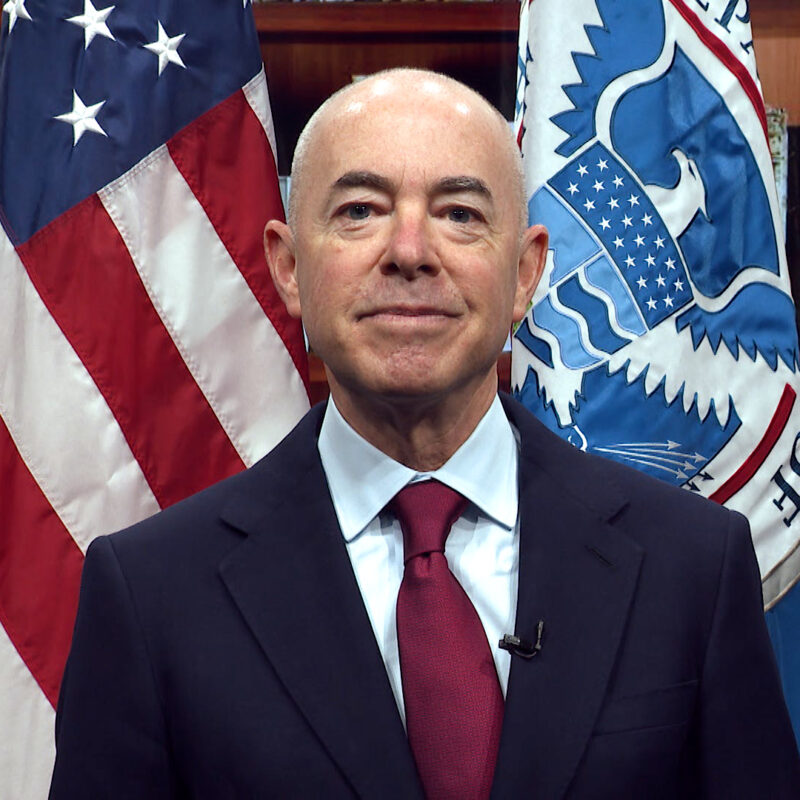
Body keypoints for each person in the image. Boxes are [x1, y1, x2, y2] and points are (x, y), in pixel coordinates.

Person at [50, 68, 800, 799]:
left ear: (525, 274)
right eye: (360, 211)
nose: (409, 252)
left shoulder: (693, 567)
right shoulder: (150, 597)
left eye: (461, 214)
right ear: (287, 267)